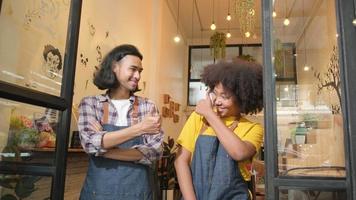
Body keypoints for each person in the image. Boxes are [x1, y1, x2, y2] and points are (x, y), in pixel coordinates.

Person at [78, 44, 163, 200]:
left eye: (140, 71)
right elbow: (89, 144)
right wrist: (140, 129)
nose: (137, 76)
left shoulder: (147, 106)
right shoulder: (90, 104)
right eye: (133, 69)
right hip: (98, 194)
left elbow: (154, 152)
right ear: (114, 67)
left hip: (139, 194)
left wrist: (104, 148)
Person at [174, 59, 263, 200]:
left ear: (242, 99)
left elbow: (239, 153)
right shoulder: (198, 119)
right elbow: (181, 161)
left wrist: (210, 114)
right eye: (215, 93)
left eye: (225, 96)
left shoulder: (252, 128)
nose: (217, 101)